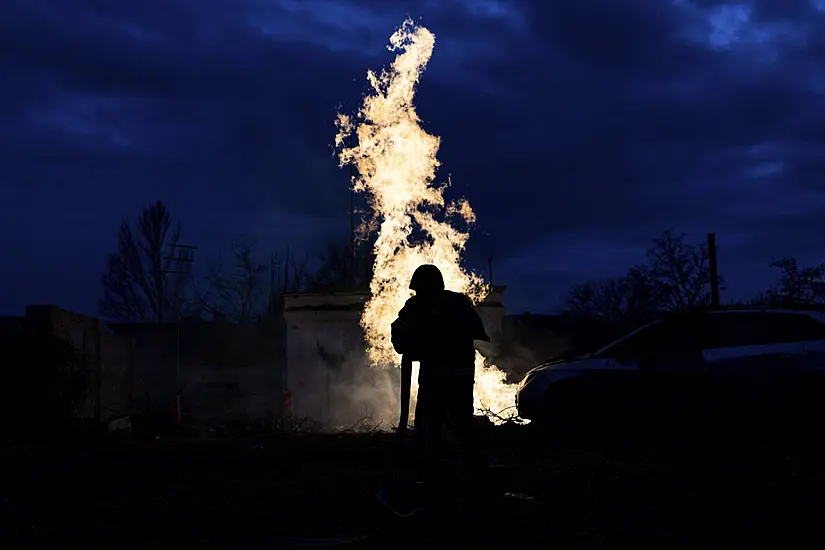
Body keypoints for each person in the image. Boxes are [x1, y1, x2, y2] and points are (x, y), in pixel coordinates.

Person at [390, 264, 490, 491]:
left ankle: (436, 472)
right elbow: (476, 331)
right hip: (461, 379)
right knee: (462, 423)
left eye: (419, 289)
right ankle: (470, 470)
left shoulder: (418, 305)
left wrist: (414, 345)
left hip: (436, 379)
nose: (418, 294)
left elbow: (400, 334)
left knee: (430, 424)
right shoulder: (460, 303)